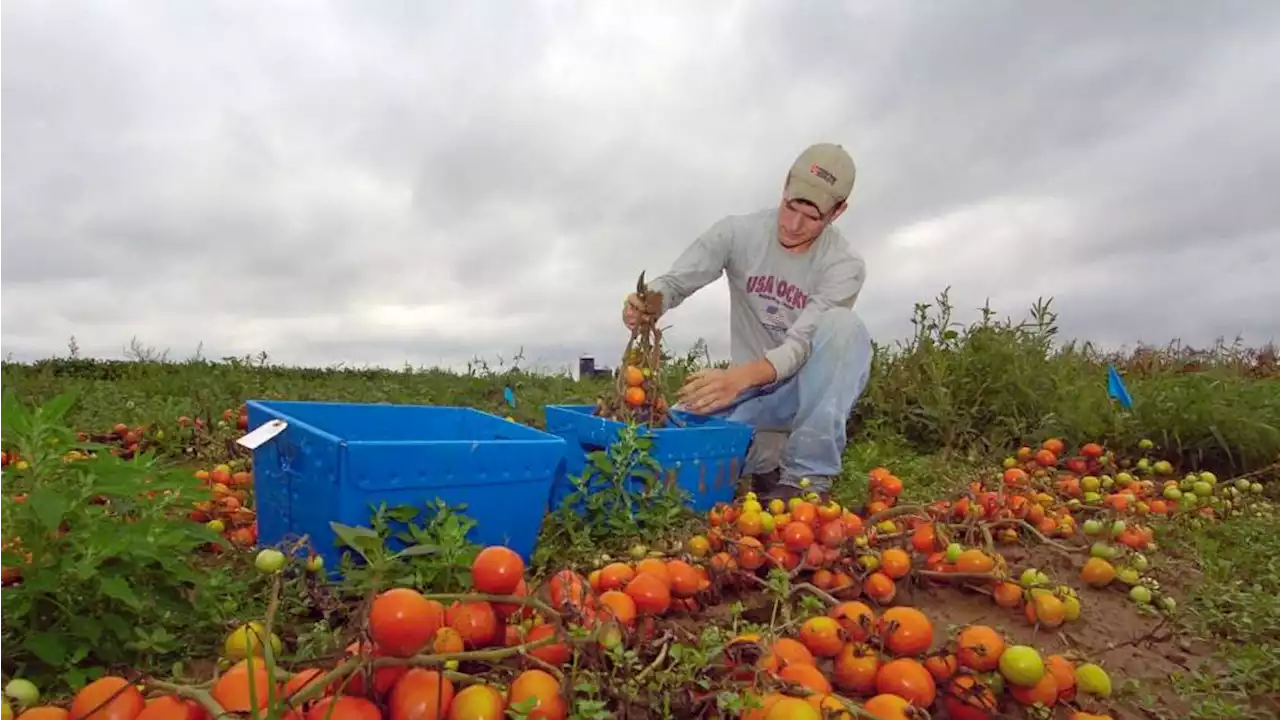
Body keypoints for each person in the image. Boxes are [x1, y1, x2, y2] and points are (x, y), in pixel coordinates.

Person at [621, 142, 874, 503]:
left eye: (812, 216)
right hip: (749, 396)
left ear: (837, 212)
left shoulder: (843, 265)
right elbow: (677, 281)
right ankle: (768, 458)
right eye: (790, 206)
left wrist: (737, 379)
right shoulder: (738, 233)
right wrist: (649, 302)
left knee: (843, 328)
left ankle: (806, 480)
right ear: (785, 184)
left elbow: (801, 345)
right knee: (674, 433)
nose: (793, 224)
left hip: (801, 391)